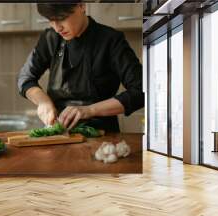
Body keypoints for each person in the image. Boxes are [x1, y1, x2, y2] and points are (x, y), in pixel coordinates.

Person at [17, 2, 144, 133]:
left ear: (81, 6)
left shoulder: (111, 40)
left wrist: (90, 110)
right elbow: (25, 78)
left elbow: (140, 91)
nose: (57, 28)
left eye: (61, 18)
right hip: (58, 132)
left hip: (101, 135)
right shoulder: (50, 38)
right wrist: (43, 101)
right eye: (51, 20)